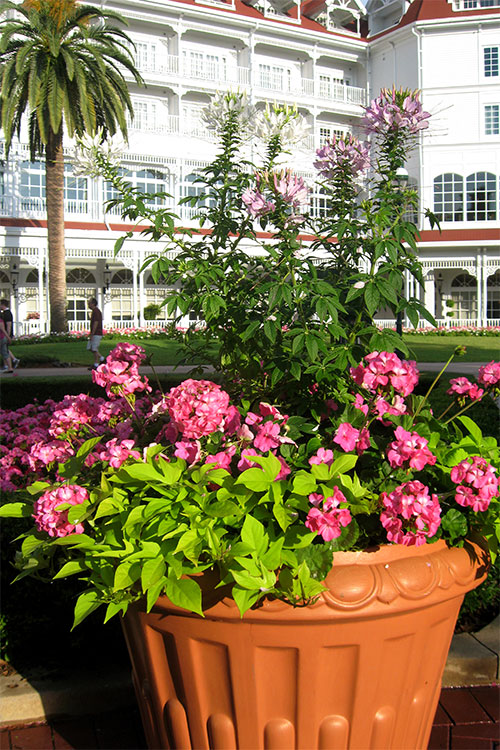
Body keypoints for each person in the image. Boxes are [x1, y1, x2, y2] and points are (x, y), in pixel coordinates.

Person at [0, 299, 20, 370]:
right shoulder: (4, 313)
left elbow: (9, 325)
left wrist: (8, 335)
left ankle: (12, 361)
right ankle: (9, 364)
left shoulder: (7, 313)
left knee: (5, 350)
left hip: (5, 334)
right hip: (4, 334)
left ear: (3, 305)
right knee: (4, 350)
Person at [87, 297, 105, 370]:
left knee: (94, 348)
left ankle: (96, 364)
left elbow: (96, 322)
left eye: (89, 303)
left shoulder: (96, 311)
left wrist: (92, 333)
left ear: (93, 303)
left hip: (97, 333)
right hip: (95, 333)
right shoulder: (94, 311)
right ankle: (101, 358)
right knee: (90, 348)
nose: (88, 305)